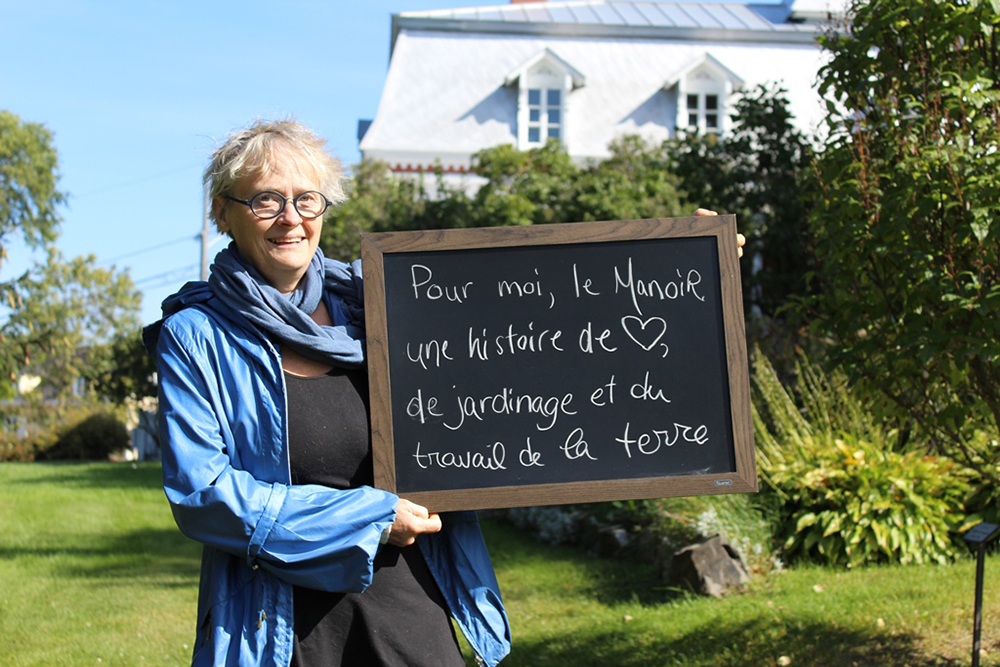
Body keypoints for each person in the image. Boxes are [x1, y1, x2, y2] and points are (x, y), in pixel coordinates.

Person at [143, 118, 511, 667]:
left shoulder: (384, 301)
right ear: (222, 213)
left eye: (306, 200)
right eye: (266, 200)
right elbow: (205, 497)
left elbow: (534, 341)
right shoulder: (196, 336)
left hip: (414, 609)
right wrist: (371, 519)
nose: (291, 219)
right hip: (281, 626)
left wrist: (684, 256)